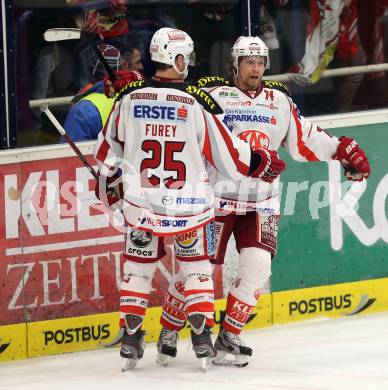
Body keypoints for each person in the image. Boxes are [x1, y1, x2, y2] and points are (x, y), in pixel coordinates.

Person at [156, 35, 371, 367]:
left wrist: (341, 150)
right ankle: (169, 328)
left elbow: (305, 140)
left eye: (260, 62)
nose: (255, 68)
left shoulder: (278, 100)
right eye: (248, 62)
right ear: (235, 63)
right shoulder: (213, 96)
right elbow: (181, 118)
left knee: (258, 267)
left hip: (262, 201)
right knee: (195, 269)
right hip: (215, 199)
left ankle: (228, 336)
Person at [93, 27, 287, 370]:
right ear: (177, 58)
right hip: (189, 210)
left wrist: (111, 178)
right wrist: (261, 161)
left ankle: (131, 339)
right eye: (187, 56)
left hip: (142, 207)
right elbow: (230, 157)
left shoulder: (130, 97)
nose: (190, 63)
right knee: (196, 269)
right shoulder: (197, 101)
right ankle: (201, 338)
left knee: (137, 271)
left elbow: (106, 153)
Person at [62, 43, 143, 142]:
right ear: (123, 66)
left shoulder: (82, 110)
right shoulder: (140, 99)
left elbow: (69, 153)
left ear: (90, 71)